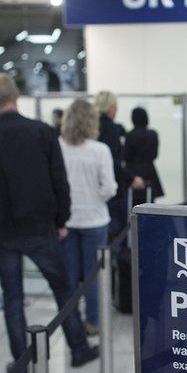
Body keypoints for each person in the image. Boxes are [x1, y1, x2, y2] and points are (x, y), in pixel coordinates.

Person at [0, 74, 98, 373]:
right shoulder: (43, 133)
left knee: (13, 297)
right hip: (40, 228)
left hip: (1, 232)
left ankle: (23, 363)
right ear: (17, 95)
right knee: (63, 289)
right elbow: (59, 182)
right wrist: (61, 220)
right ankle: (78, 348)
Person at [59, 99, 117, 334]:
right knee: (94, 276)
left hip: (68, 221)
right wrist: (95, 197)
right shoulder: (100, 150)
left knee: (70, 277)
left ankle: (71, 323)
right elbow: (109, 188)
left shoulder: (58, 147)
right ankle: (93, 321)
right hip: (95, 219)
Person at [96, 90, 143, 239]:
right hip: (113, 187)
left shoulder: (93, 127)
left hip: (95, 185)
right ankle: (115, 259)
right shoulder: (111, 128)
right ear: (110, 107)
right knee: (117, 228)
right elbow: (112, 161)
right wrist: (130, 179)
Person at [123, 107, 165, 203]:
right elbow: (155, 155)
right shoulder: (153, 134)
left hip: (132, 173)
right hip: (149, 172)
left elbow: (126, 157)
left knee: (133, 204)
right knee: (149, 205)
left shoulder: (129, 135)